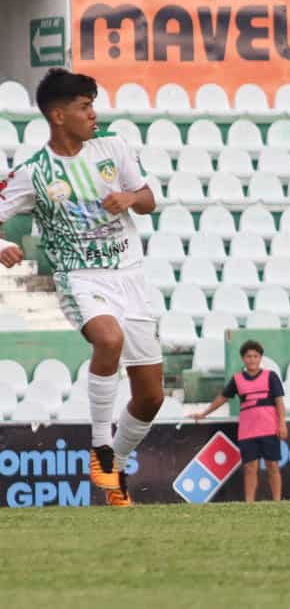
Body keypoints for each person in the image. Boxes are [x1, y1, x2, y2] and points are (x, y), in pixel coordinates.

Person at [0, 69, 160, 507]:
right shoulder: (34, 173)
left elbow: (149, 199)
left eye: (93, 105)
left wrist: (130, 199)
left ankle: (114, 469)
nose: (94, 114)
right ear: (58, 115)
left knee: (151, 396)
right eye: (84, 107)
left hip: (130, 275)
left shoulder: (114, 146)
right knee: (108, 338)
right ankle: (101, 446)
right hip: (80, 277)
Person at [193, 340, 288, 502]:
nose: (252, 359)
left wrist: (282, 424)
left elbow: (279, 401)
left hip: (269, 429)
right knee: (250, 467)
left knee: (272, 465)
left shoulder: (270, 376)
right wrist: (204, 413)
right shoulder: (237, 379)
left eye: (255, 356)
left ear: (260, 358)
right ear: (243, 359)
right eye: (249, 356)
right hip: (248, 431)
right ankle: (249, 502)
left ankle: (277, 501)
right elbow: (223, 398)